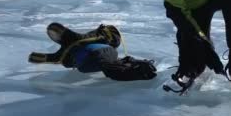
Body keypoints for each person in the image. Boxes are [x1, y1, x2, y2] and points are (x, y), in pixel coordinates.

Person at [28, 22, 157, 81]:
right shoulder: (108, 49)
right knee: (106, 60)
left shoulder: (103, 46)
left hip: (83, 62)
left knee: (76, 52)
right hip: (89, 60)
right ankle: (66, 48)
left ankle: (63, 52)